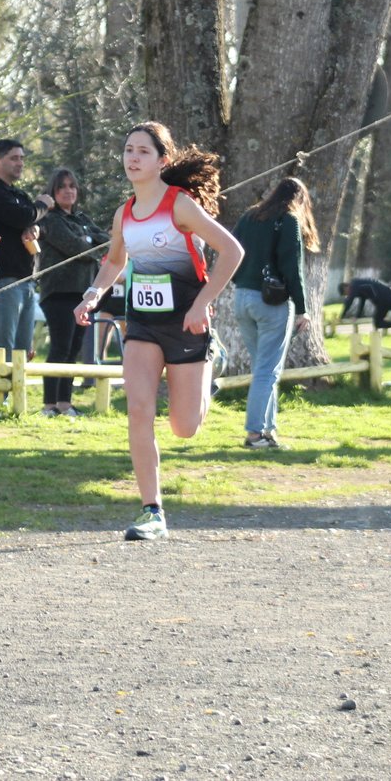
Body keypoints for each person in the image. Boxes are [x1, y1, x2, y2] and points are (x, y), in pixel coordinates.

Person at [74, 122, 243, 542]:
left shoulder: (179, 205)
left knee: (184, 427)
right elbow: (115, 262)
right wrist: (93, 294)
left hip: (187, 322)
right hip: (144, 325)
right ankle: (152, 510)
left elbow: (232, 251)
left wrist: (202, 303)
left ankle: (211, 362)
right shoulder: (124, 214)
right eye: (128, 150)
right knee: (138, 410)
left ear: (162, 161)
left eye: (143, 152)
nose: (133, 158)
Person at [232, 177, 319, 449]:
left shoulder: (249, 216)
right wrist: (303, 309)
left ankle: (268, 430)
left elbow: (231, 249)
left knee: (262, 368)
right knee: (267, 372)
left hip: (241, 298)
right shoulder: (289, 220)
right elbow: (293, 268)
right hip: (270, 302)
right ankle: (255, 433)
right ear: (300, 200)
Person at [0, 139, 52, 400]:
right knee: (4, 347)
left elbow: (28, 221)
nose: (20, 163)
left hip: (26, 280)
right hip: (4, 280)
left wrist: (35, 227)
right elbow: (24, 216)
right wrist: (42, 205)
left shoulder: (16, 193)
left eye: (22, 158)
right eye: (14, 158)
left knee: (23, 348)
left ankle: (10, 401)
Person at [35, 167, 108, 416]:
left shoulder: (81, 219)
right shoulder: (50, 220)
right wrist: (90, 243)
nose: (68, 191)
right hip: (58, 293)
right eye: (62, 187)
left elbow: (106, 238)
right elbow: (77, 247)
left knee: (73, 349)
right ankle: (49, 404)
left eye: (72, 186)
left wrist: (90, 241)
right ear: (53, 192)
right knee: (60, 347)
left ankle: (65, 404)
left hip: (82, 293)